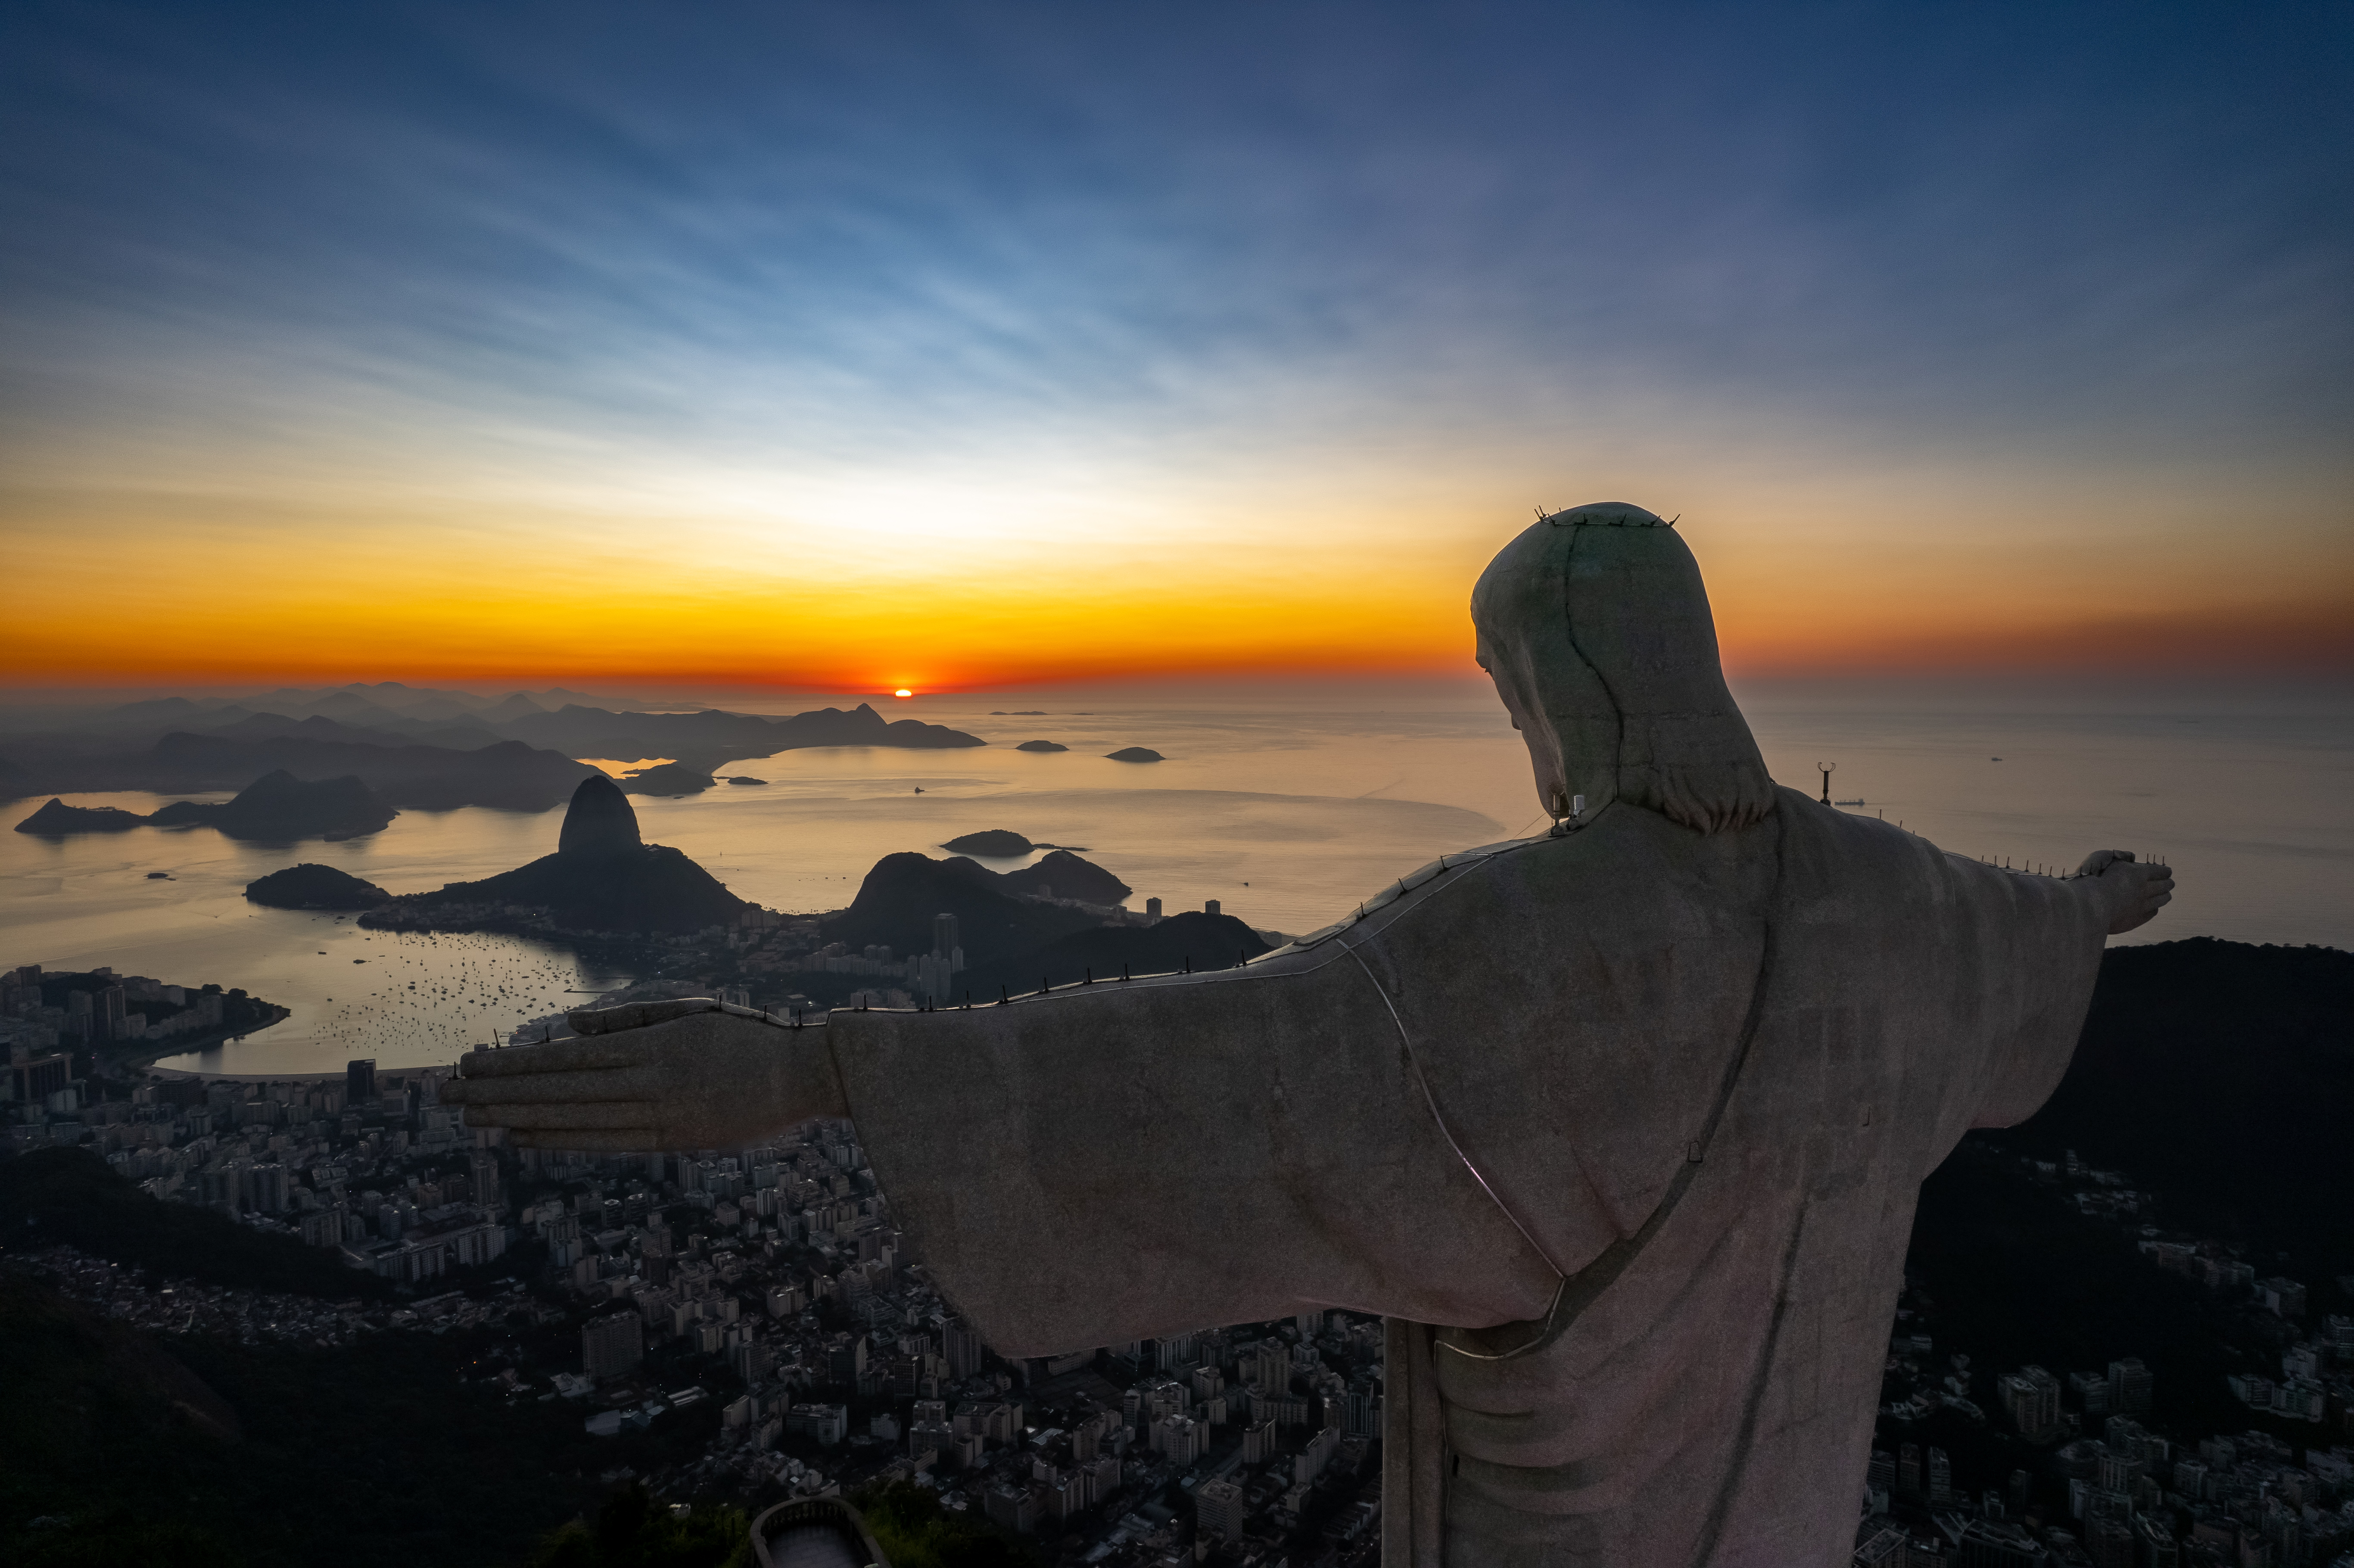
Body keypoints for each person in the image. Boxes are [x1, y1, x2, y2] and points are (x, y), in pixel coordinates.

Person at [445, 502, 2173, 1567]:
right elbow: (2020, 921)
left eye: (1514, 702)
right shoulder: (1903, 897)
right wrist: (2097, 897)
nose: (1524, 744)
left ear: (1560, 692)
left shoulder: (1506, 944)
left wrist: (813, 1070)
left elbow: (1224, 1058)